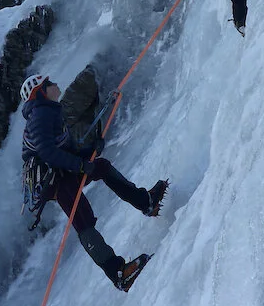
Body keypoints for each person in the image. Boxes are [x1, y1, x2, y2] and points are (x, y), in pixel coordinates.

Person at [20, 73, 168, 292]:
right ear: (40, 92)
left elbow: (64, 149)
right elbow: (48, 152)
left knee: (102, 167)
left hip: (61, 171)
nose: (55, 84)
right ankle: (117, 273)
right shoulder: (40, 114)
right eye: (49, 84)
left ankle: (146, 202)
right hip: (55, 180)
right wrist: (80, 165)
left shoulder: (49, 112)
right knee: (83, 220)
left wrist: (90, 152)